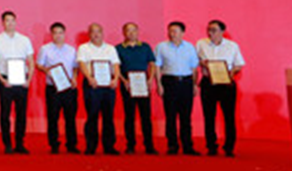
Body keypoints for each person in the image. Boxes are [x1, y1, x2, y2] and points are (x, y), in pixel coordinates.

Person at [197, 19, 246, 157]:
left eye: (214, 30)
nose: (210, 33)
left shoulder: (232, 46)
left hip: (226, 83)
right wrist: (202, 63)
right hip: (208, 83)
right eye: (208, 30)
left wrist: (232, 72)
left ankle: (229, 147)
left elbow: (239, 64)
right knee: (209, 116)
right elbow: (195, 60)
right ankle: (211, 146)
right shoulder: (201, 44)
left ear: (222, 31)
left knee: (229, 116)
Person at [0, 11, 35, 154]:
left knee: (21, 113)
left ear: (16, 22)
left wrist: (28, 80)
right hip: (5, 80)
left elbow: (31, 61)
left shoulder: (25, 40)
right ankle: (7, 144)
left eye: (12, 20)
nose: (10, 23)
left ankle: (20, 143)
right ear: (2, 23)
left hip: (22, 80)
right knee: (5, 113)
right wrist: (2, 79)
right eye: (7, 20)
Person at [155, 21, 201, 156]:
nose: (172, 34)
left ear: (182, 33)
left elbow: (194, 68)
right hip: (169, 82)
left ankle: (188, 146)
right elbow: (157, 66)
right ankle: (172, 145)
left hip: (186, 82)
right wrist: (159, 84)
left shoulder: (190, 47)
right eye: (170, 31)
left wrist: (194, 84)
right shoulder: (161, 47)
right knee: (170, 116)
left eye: (175, 31)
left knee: (186, 116)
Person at [76, 23, 121, 155]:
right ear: (89, 34)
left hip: (108, 85)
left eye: (98, 31)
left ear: (102, 33)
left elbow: (116, 65)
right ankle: (91, 146)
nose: (96, 34)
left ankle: (109, 146)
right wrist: (89, 77)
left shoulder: (110, 48)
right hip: (92, 85)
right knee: (92, 115)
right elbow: (82, 64)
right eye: (93, 32)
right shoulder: (83, 48)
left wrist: (116, 78)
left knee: (108, 116)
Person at [36, 22, 78, 155]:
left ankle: (71, 144)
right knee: (53, 117)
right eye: (55, 33)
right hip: (52, 88)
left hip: (69, 88)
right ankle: (54, 144)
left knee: (70, 117)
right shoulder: (45, 49)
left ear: (64, 34)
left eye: (61, 33)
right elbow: (39, 64)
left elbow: (75, 67)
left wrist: (75, 78)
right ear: (51, 35)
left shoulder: (71, 50)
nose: (58, 35)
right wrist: (46, 70)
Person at [116, 22, 157, 155]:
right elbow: (115, 67)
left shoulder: (145, 47)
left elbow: (152, 64)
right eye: (128, 30)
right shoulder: (118, 48)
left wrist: (150, 79)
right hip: (127, 85)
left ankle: (149, 145)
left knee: (146, 116)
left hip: (143, 84)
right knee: (129, 116)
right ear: (124, 33)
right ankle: (130, 145)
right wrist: (123, 80)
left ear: (138, 31)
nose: (131, 33)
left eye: (134, 30)